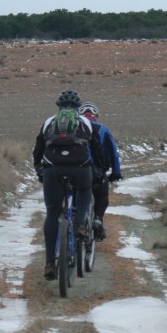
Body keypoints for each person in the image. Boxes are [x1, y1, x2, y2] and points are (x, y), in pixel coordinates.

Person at [33, 90, 104, 280]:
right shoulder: (86, 123)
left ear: (59, 107)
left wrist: (40, 170)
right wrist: (98, 172)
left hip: (52, 170)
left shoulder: (49, 122)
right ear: (77, 107)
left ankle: (50, 263)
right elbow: (97, 151)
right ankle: (80, 225)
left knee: (52, 213)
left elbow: (38, 151)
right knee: (85, 189)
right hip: (80, 168)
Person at [77, 102, 122, 241]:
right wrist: (116, 173)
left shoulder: (73, 128)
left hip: (73, 170)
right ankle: (97, 219)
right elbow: (113, 153)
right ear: (96, 116)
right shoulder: (103, 129)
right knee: (102, 196)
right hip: (95, 173)